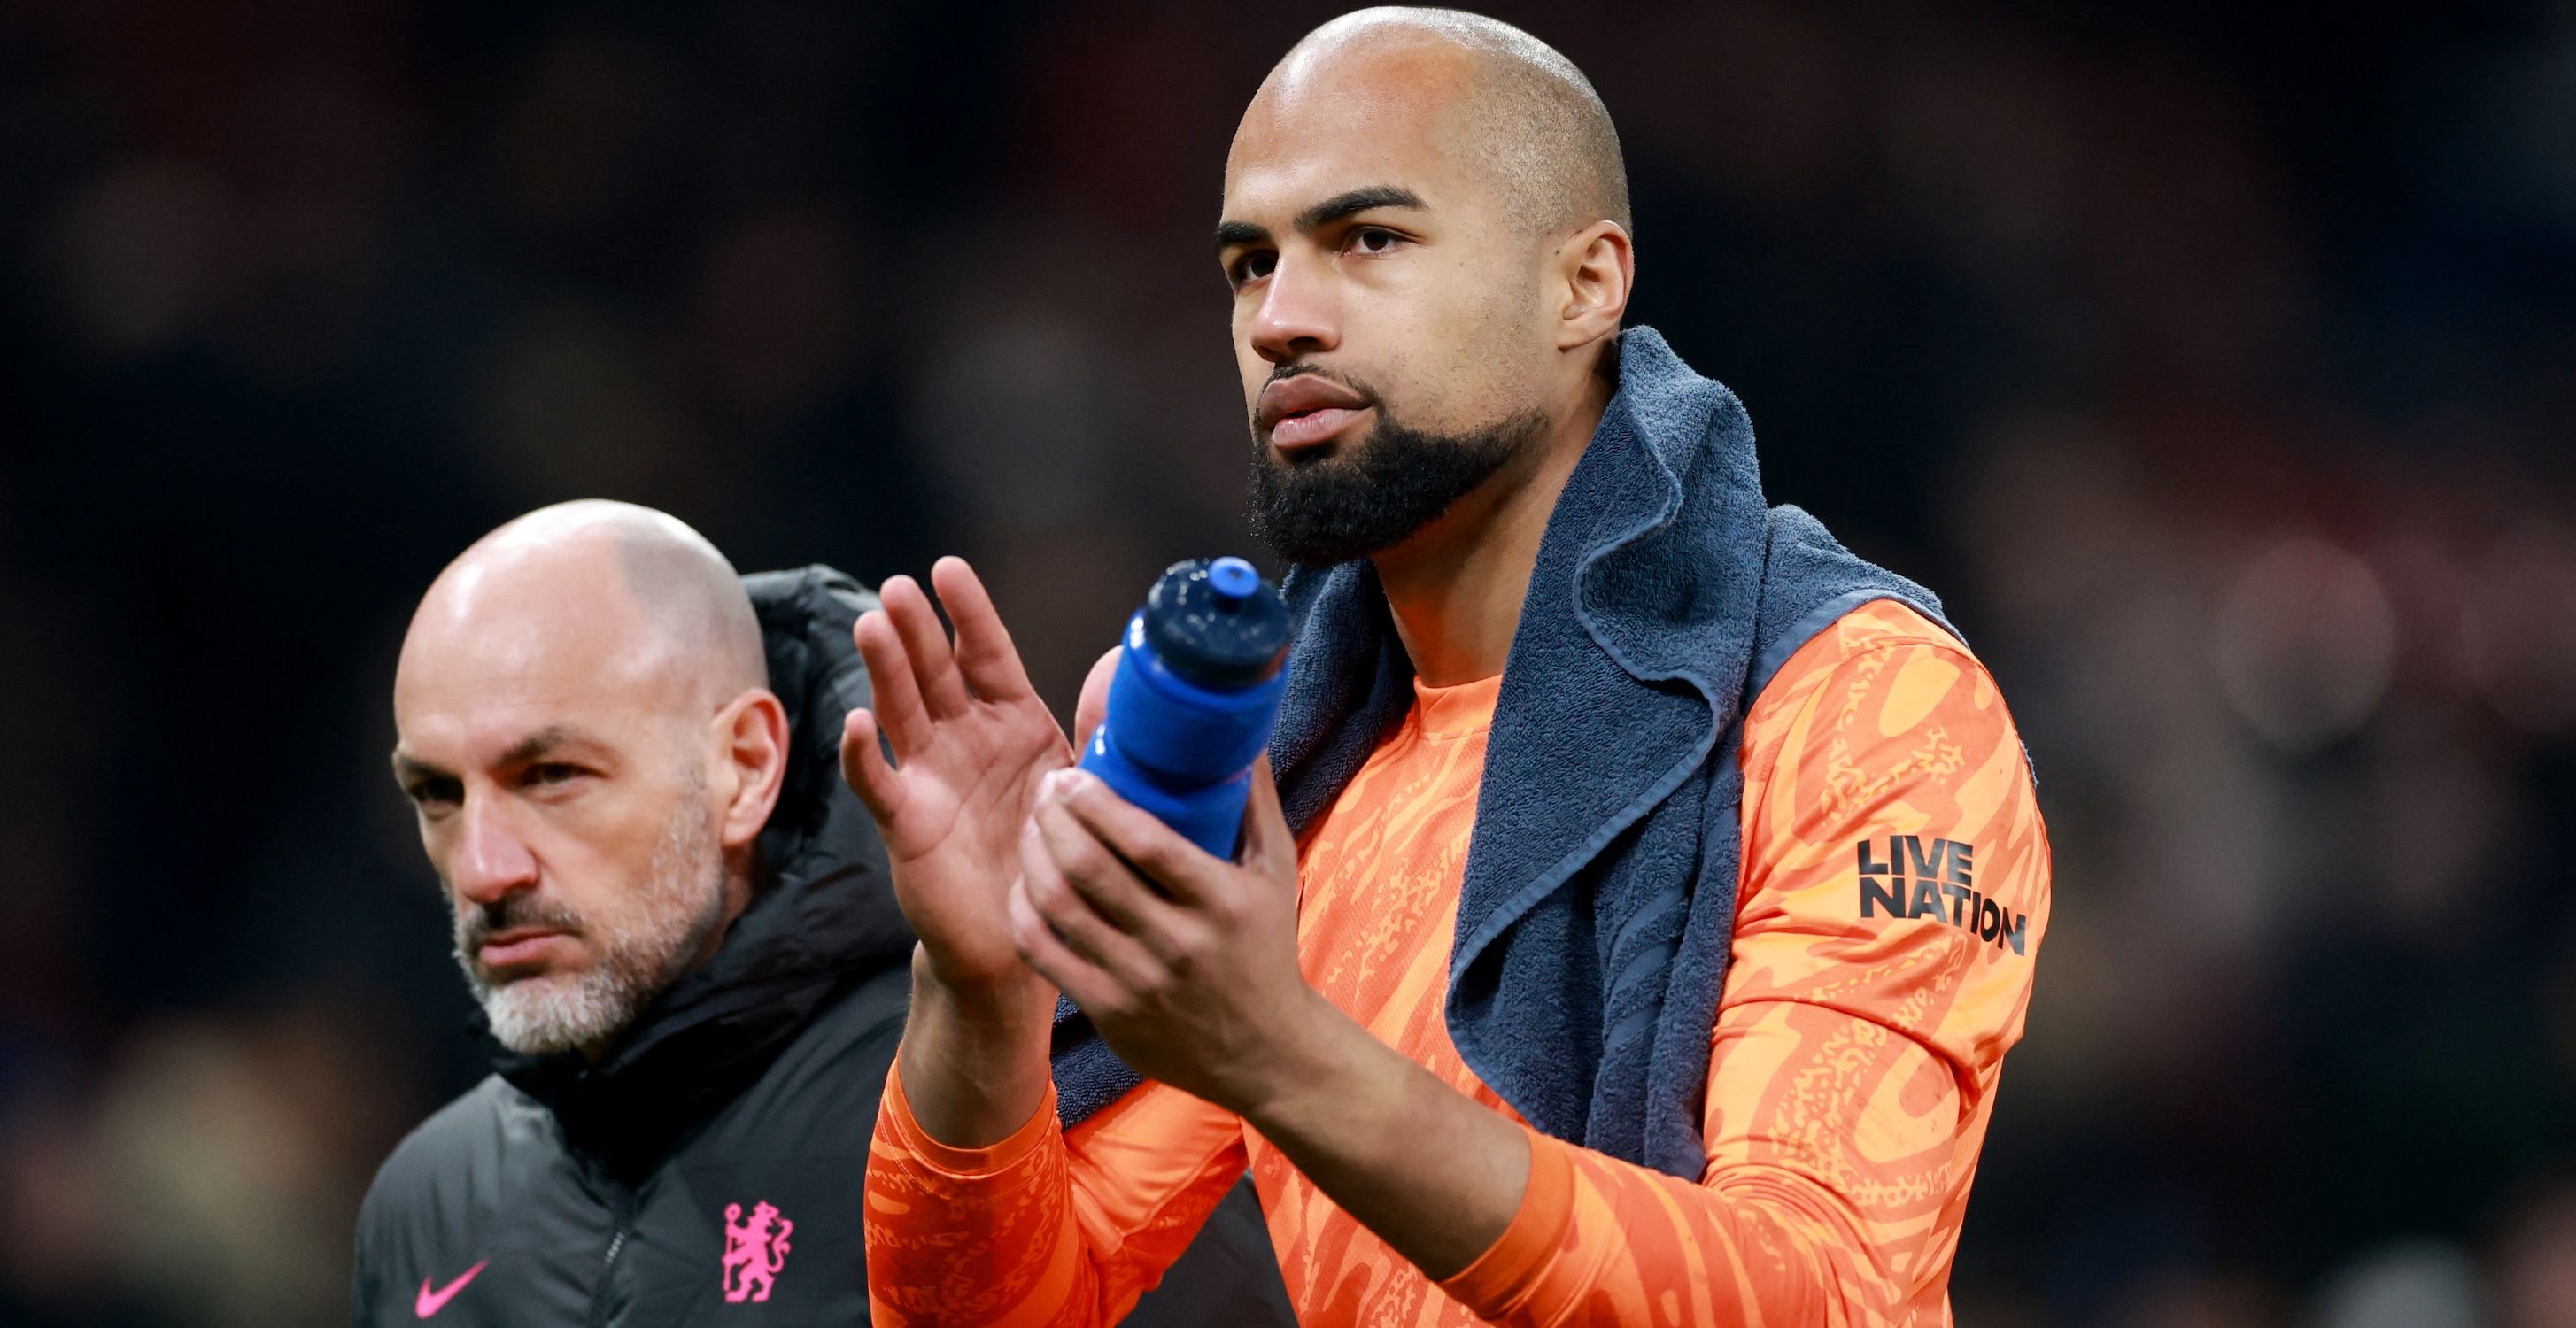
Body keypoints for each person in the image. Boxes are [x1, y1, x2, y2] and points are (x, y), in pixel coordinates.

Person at [854, 9, 2052, 1327]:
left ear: (1585, 286)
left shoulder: (1858, 704)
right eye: (1250, 265)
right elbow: (1002, 1311)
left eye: (1368, 239)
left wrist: (1283, 1055)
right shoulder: (1295, 760)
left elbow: (1826, 1296)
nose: (1280, 322)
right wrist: (979, 998)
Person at [351, 500, 917, 1325]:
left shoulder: (970, 1112)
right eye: (437, 794)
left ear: (744, 768)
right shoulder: (425, 1204)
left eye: (551, 775)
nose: (483, 870)